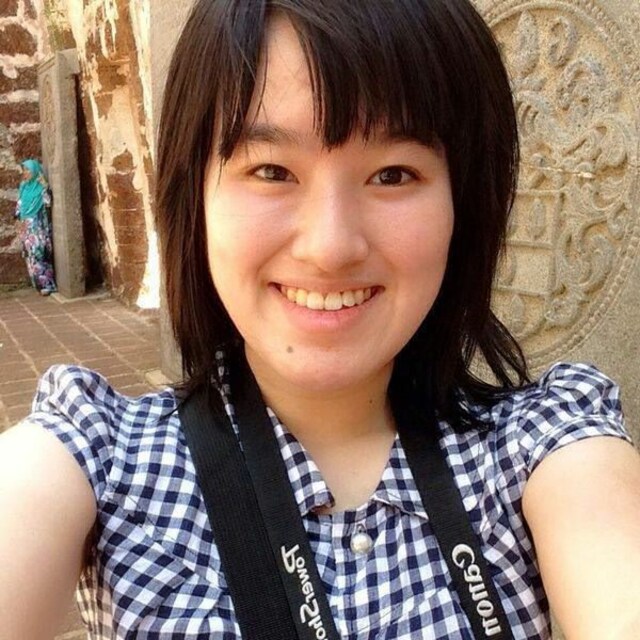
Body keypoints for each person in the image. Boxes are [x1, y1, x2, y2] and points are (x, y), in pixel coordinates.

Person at [1, 1, 639, 638]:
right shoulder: (100, 459)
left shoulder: (542, 450)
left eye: (393, 174)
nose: (331, 247)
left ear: (462, 206)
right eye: (271, 171)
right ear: (195, 197)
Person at [14, 159, 57, 296]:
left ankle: (47, 285)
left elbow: (48, 203)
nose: (25, 173)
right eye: (24, 170)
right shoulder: (24, 187)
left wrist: (45, 187)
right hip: (25, 227)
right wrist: (18, 221)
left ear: (35, 171)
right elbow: (19, 206)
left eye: (28, 170)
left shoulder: (41, 188)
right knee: (30, 256)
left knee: (39, 252)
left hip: (38, 227)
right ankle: (38, 284)